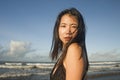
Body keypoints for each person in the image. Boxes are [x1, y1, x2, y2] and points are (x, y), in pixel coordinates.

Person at [50, 7, 89, 80]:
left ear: (79, 30)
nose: (68, 31)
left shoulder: (74, 49)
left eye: (73, 26)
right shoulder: (65, 52)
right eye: (63, 26)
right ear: (57, 29)